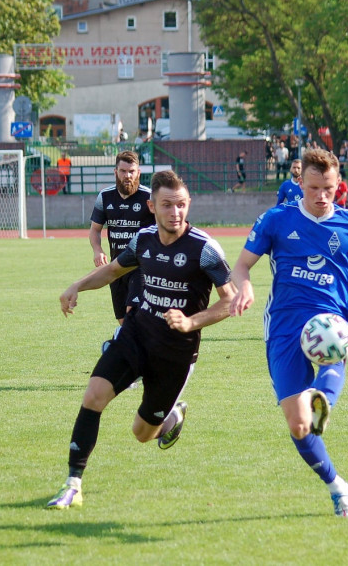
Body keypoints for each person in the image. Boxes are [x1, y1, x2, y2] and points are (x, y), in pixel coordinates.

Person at [47, 169, 236, 509]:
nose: (175, 213)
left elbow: (230, 301)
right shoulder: (144, 240)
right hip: (136, 334)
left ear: (188, 204)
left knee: (142, 433)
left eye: (181, 205)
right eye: (167, 206)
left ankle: (171, 417)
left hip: (175, 352)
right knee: (93, 396)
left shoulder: (205, 249)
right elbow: (113, 270)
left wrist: (191, 321)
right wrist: (76, 286)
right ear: (152, 206)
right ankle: (73, 483)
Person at [229, 149, 348, 518]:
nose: (321, 196)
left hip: (331, 326)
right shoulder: (277, 220)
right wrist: (244, 286)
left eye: (328, 188)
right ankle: (337, 485)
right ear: (300, 185)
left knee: (322, 388)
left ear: (338, 184)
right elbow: (241, 265)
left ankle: (323, 398)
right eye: (313, 188)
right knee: (298, 424)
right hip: (284, 328)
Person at [88, 151, 155, 324]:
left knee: (133, 313)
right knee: (123, 321)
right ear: (115, 172)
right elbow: (95, 230)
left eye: (132, 171)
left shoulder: (149, 198)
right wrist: (97, 250)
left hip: (141, 266)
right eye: (123, 171)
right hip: (116, 268)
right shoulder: (105, 197)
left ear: (138, 173)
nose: (128, 176)